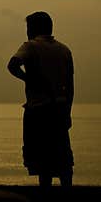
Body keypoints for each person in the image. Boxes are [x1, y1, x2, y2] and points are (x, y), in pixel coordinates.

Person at [7, 11, 74, 188]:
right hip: (59, 109)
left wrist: (28, 78)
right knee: (63, 159)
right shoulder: (64, 50)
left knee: (43, 161)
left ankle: (45, 200)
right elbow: (70, 87)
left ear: (34, 29)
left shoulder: (30, 46)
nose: (27, 32)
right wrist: (68, 112)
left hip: (37, 111)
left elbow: (12, 65)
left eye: (28, 28)